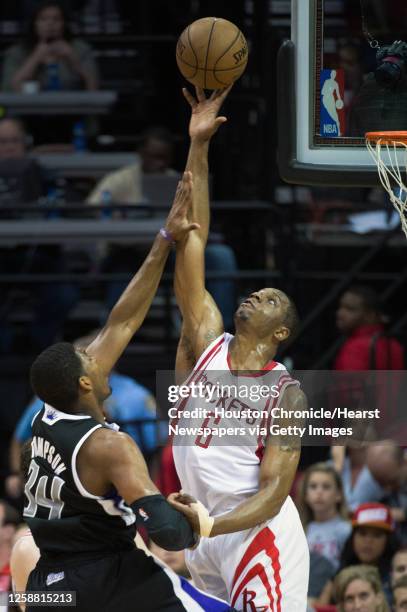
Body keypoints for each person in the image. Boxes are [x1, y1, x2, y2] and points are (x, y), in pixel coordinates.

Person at [20, 174, 232, 611]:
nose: (99, 356)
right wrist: (187, 518)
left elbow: (122, 321)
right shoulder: (109, 445)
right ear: (84, 383)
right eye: (90, 360)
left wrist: (164, 240)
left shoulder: (49, 411)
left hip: (50, 588)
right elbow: (168, 534)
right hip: (106, 581)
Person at [168, 86, 309, 610]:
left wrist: (209, 522)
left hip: (257, 534)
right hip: (204, 537)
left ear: (280, 334)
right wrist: (199, 145)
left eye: (271, 299)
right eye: (256, 291)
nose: (255, 294)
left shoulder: (286, 394)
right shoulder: (205, 338)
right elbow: (194, 237)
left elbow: (273, 494)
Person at [87, 125, 238, 329]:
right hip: (132, 253)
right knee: (120, 277)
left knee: (221, 257)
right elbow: (92, 209)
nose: (158, 163)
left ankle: (222, 334)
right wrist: (117, 217)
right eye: (153, 156)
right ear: (141, 153)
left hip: (173, 252)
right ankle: (108, 344)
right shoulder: (120, 179)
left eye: (163, 157)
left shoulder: (179, 181)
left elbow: (197, 221)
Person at [0, 117, 78, 353]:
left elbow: (71, 204)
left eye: (14, 140)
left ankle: (37, 346)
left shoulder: (45, 175)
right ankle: (6, 349)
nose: (9, 147)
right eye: (2, 142)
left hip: (39, 259)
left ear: (26, 143)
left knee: (65, 295)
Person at [1, 1, 98, 92]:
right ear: (34, 24)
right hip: (32, 107)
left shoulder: (81, 49)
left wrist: (73, 58)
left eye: (56, 19)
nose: (50, 24)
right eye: (43, 19)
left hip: (72, 106)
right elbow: (8, 89)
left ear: (64, 24)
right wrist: (35, 58)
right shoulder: (18, 51)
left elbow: (94, 88)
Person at [298, 462, 351, 570]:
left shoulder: (346, 530)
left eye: (326, 487)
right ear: (306, 495)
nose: (319, 492)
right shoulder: (299, 531)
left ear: (338, 494)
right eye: (313, 486)